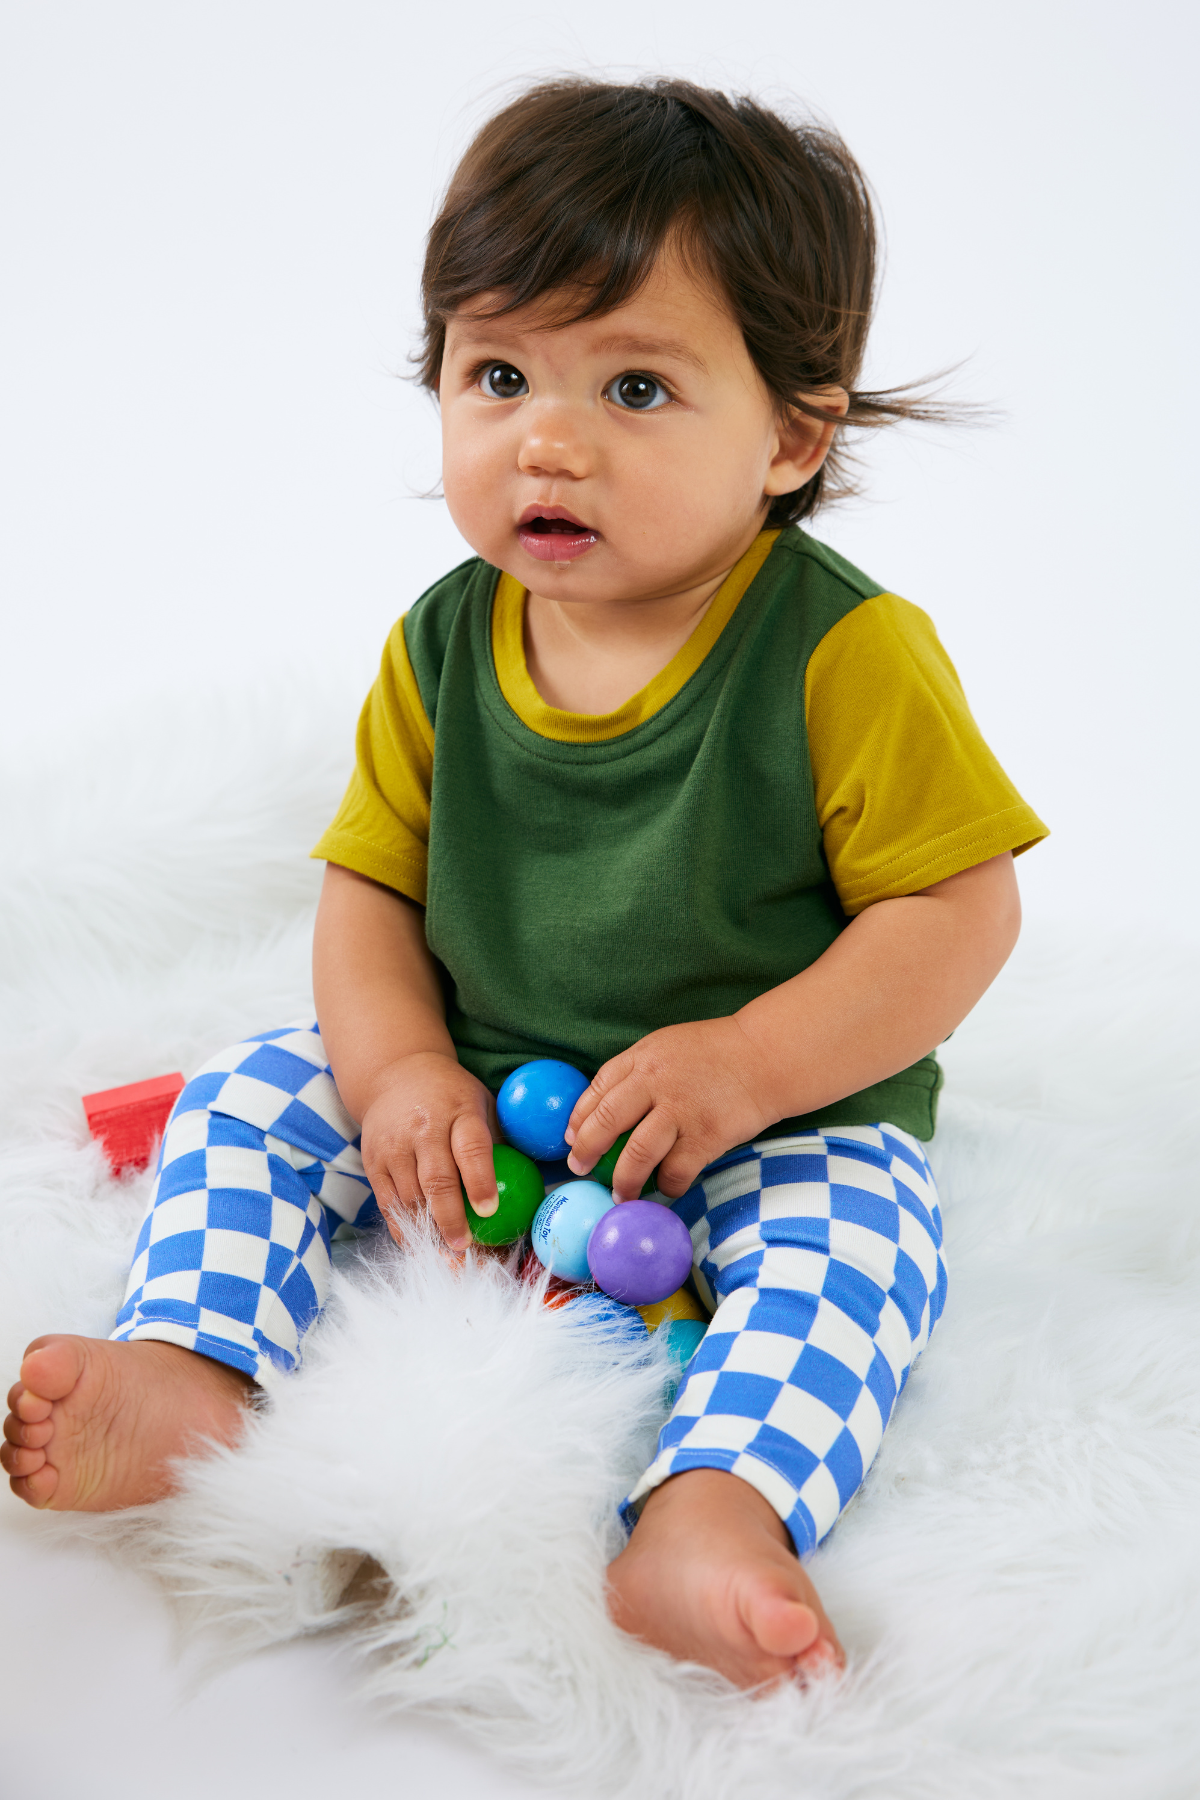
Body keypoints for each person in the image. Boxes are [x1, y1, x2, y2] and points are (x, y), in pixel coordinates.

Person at [2, 78, 1046, 1689]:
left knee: (859, 1259)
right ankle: (190, 1368)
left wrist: (754, 1065)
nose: (545, 438)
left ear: (791, 434)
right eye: (498, 376)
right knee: (245, 1102)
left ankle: (712, 1510)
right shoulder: (444, 640)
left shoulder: (843, 652)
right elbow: (369, 893)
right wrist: (405, 1068)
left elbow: (959, 910)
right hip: (496, 1078)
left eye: (634, 385)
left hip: (778, 1111)